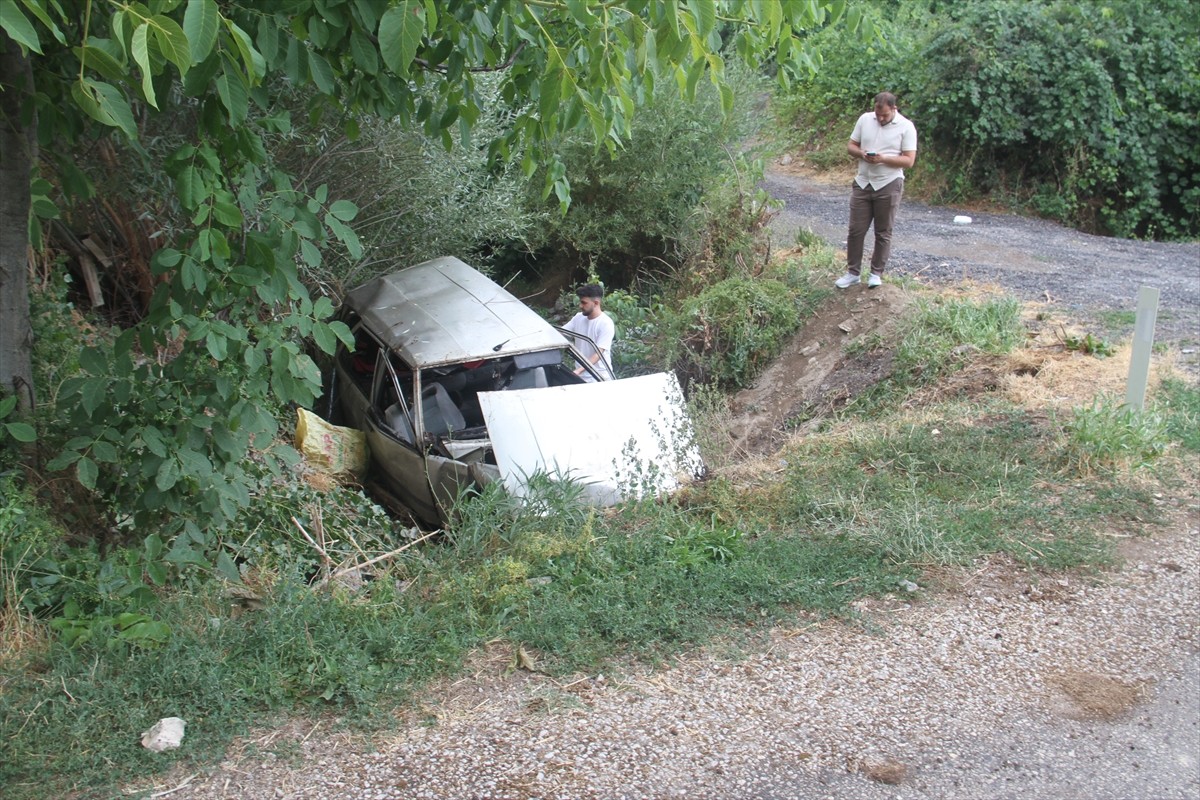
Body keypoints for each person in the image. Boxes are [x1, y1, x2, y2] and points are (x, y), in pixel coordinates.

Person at [835, 91, 918, 289]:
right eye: (878, 114)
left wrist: (883, 159)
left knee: (883, 231)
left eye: (885, 115)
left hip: (889, 182)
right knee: (856, 230)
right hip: (863, 181)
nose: (880, 118)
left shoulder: (906, 127)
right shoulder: (865, 119)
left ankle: (876, 273)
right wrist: (862, 153)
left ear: (894, 109)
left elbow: (909, 160)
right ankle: (853, 272)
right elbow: (851, 146)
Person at [563, 284, 615, 381]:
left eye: (584, 303)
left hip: (599, 378)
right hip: (580, 377)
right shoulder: (578, 318)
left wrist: (578, 371)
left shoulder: (606, 323)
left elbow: (598, 354)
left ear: (596, 303)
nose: (580, 306)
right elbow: (560, 333)